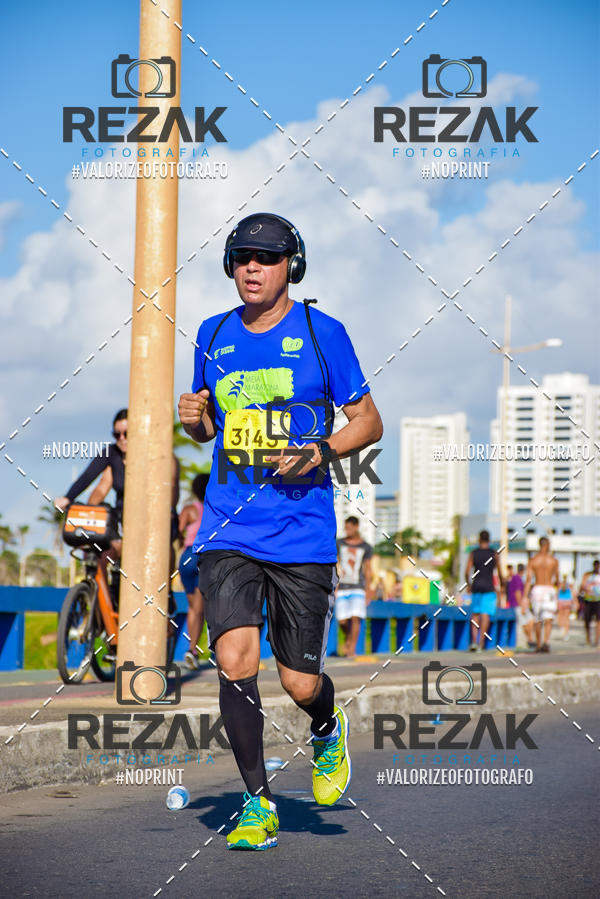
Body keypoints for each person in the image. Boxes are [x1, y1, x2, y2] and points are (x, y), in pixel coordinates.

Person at [178, 212, 383, 851]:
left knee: (297, 681)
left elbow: (369, 422)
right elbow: (206, 429)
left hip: (302, 533)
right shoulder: (211, 334)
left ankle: (325, 727)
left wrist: (320, 451)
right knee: (235, 660)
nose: (251, 268)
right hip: (229, 529)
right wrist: (194, 420)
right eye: (241, 257)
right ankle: (256, 803)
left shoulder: (324, 335)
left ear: (292, 264)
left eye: (265, 258)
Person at [178, 473, 209, 670]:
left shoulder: (189, 509)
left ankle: (193, 649)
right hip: (202, 555)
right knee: (199, 609)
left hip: (186, 556)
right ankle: (192, 650)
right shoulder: (213, 510)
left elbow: (177, 531)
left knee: (192, 607)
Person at [335, 516, 373, 658]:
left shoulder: (366, 546)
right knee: (342, 620)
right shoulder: (339, 543)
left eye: (350, 528)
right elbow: (336, 564)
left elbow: (368, 569)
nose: (347, 530)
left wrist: (369, 590)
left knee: (356, 618)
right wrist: (335, 586)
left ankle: (351, 649)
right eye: (346, 528)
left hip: (358, 587)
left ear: (356, 527)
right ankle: (349, 638)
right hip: (342, 586)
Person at [465, 530, 503, 651]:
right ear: (489, 539)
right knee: (485, 614)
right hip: (489, 587)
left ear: (479, 539)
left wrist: (469, 584)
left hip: (476, 585)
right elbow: (500, 572)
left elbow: (466, 571)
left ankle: (474, 642)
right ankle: (481, 643)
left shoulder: (473, 553)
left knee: (475, 614)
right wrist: (502, 585)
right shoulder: (494, 553)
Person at [523, 536, 559, 653]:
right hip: (549, 589)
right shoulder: (553, 561)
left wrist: (525, 597)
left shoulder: (533, 560)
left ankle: (538, 644)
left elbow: (528, 579)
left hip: (537, 589)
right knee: (548, 618)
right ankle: (546, 642)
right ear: (547, 545)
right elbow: (557, 580)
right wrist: (557, 595)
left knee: (537, 619)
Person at [579, 560, 600, 647]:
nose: (596, 567)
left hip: (598, 600)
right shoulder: (587, 575)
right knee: (587, 621)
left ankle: (596, 640)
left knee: (598, 620)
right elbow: (582, 586)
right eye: (595, 565)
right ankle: (588, 639)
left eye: (597, 565)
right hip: (588, 600)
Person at [556, 575, 574, 641]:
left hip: (561, 600)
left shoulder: (560, 584)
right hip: (568, 601)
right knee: (566, 618)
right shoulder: (570, 584)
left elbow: (557, 593)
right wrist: (574, 601)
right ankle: (566, 634)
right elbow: (573, 593)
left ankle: (562, 630)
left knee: (560, 617)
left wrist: (556, 601)